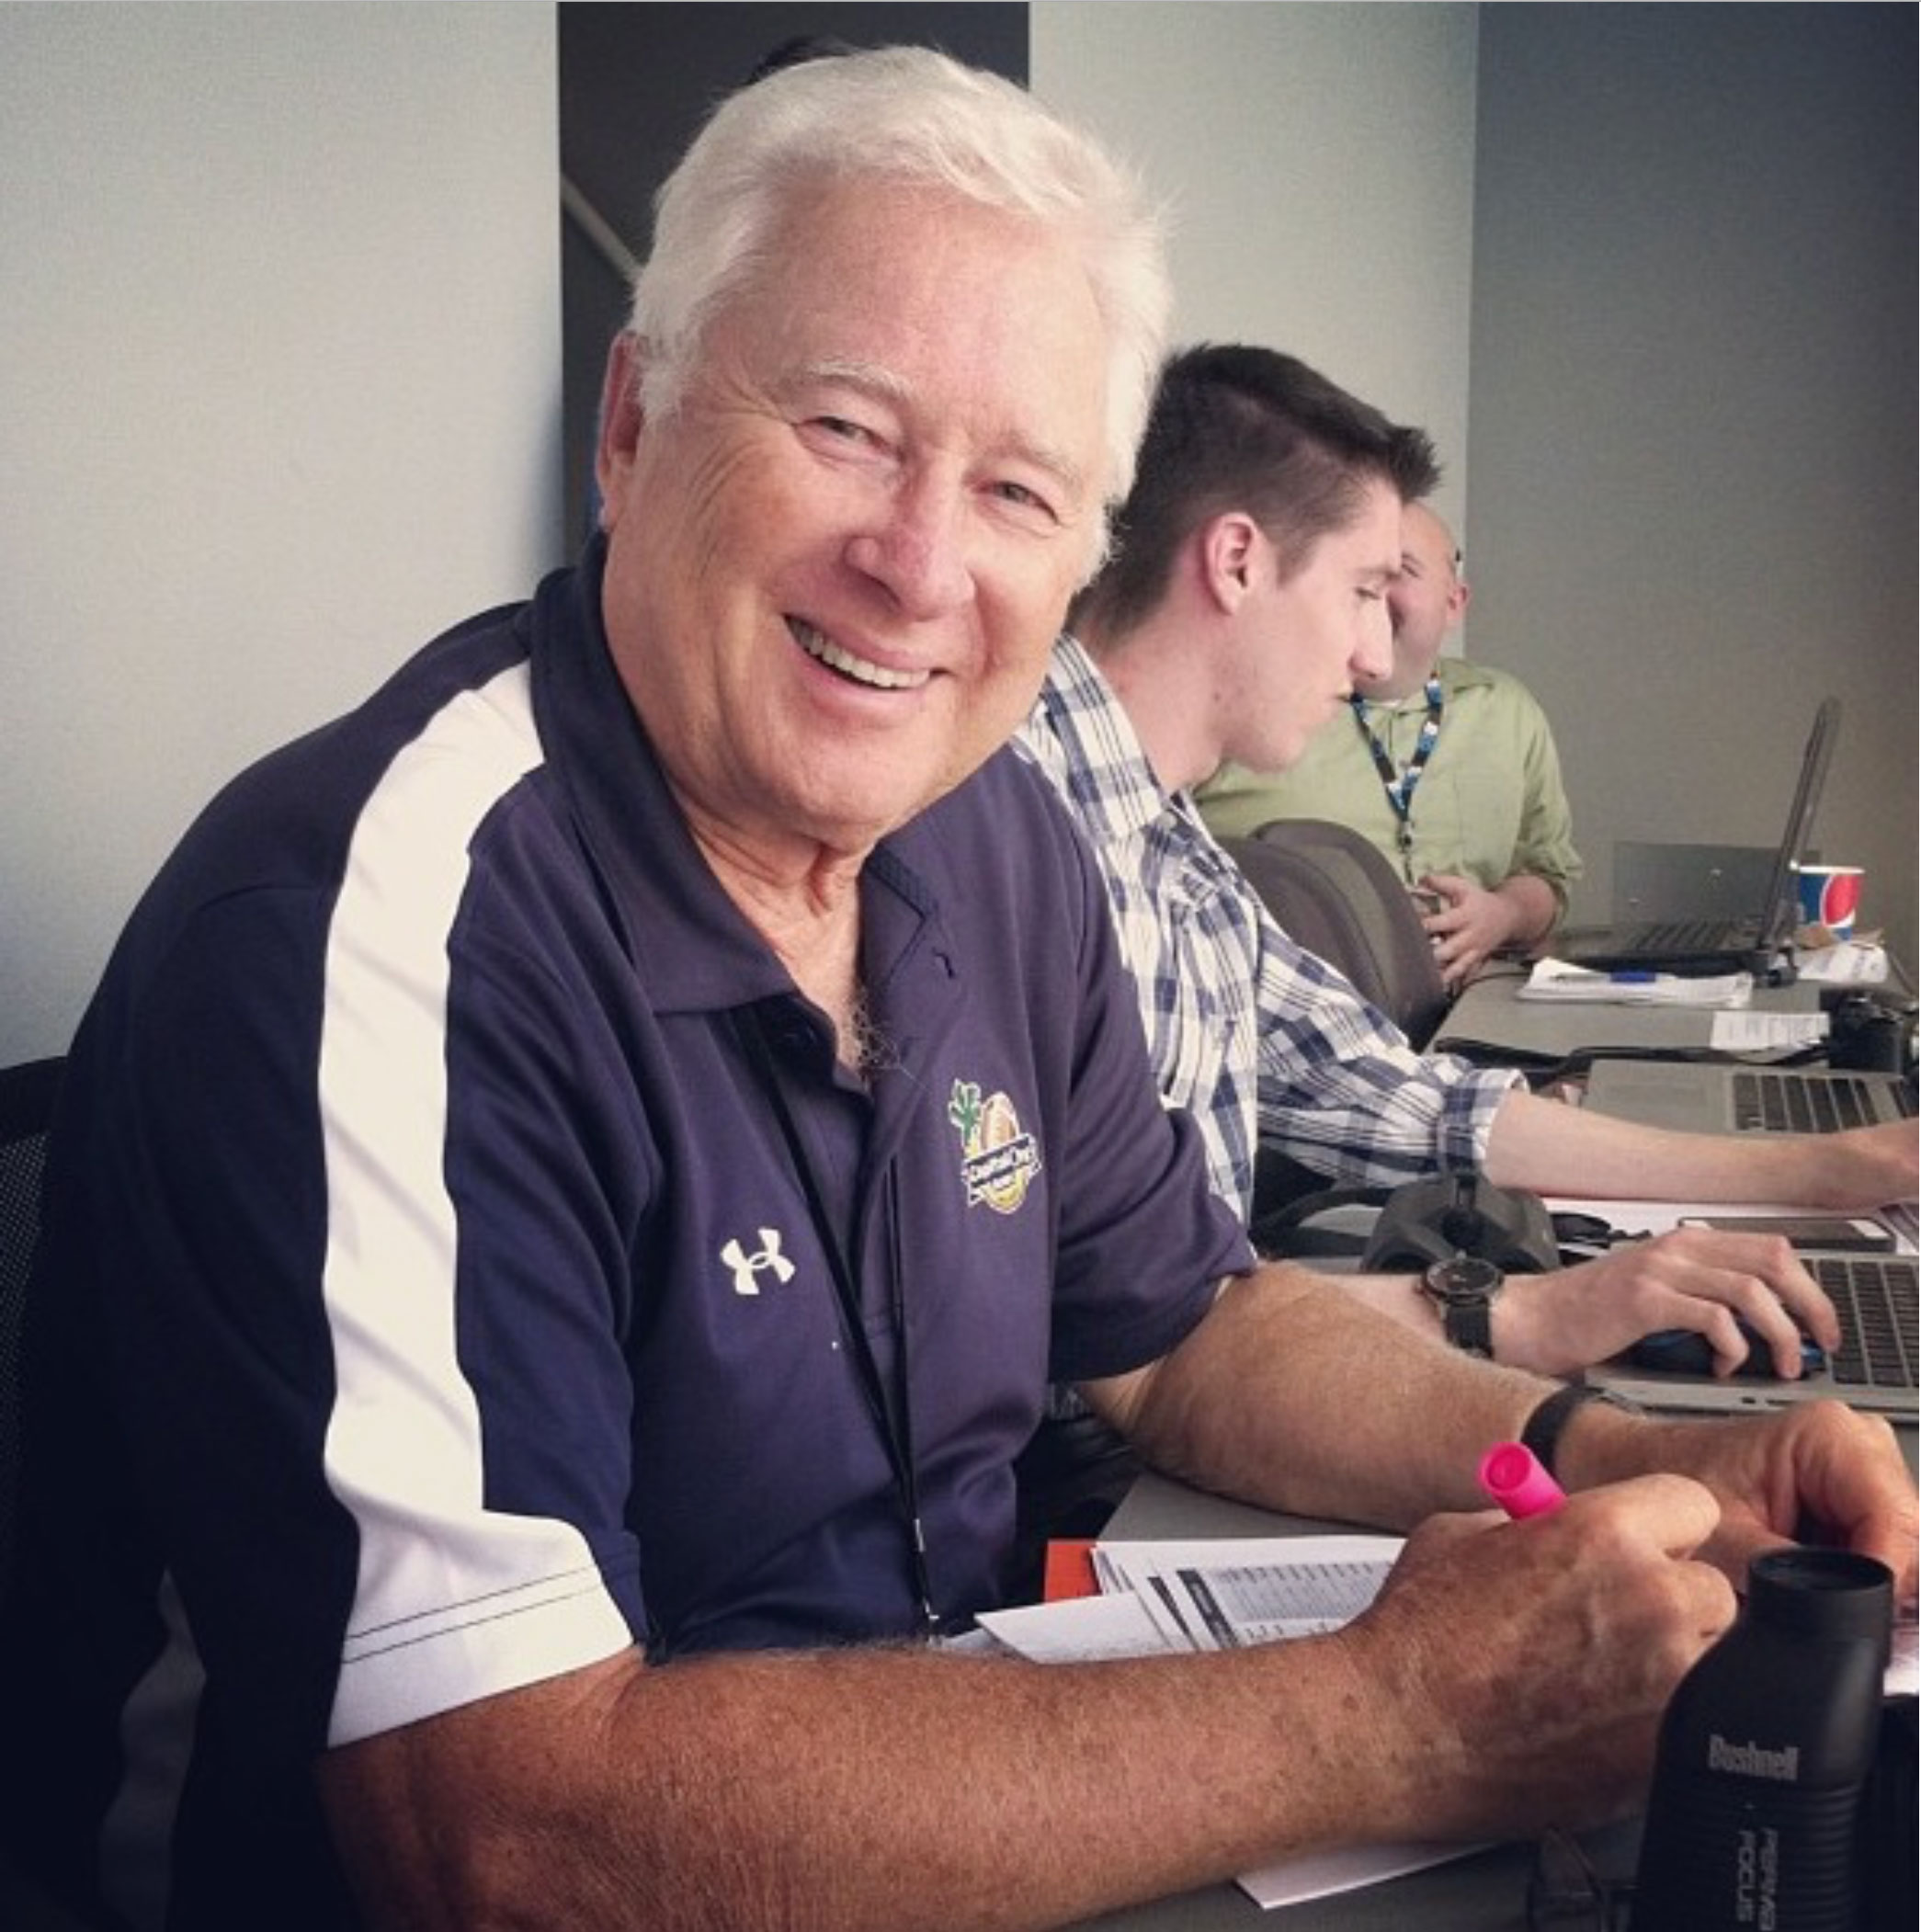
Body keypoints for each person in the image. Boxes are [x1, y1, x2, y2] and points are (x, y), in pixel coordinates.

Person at [4, 48, 1912, 1932]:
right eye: (844, 428)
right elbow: (510, 1841)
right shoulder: (377, 930)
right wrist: (1411, 1712)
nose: (919, 566)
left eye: (1015, 488)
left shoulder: (990, 832)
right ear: (633, 423)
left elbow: (1188, 1332)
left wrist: (1632, 1456)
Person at [1018, 343, 1918, 1380]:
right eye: (1364, 589)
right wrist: (1517, 1309)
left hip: (1213, 1385)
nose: (1373, 655)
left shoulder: (1173, 847)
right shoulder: (1007, 831)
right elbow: (1105, 1336)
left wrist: (1824, 1169)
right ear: (1236, 562)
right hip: (1121, 1443)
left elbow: (1401, 1099)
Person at [1198, 499, 1581, 984]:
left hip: (1472, 1002)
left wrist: (1504, 914)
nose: (1376, 592)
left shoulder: (1506, 711)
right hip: (1280, 1000)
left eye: (1399, 571)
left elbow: (1549, 874)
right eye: (1360, 575)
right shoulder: (1247, 705)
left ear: (1454, 603)